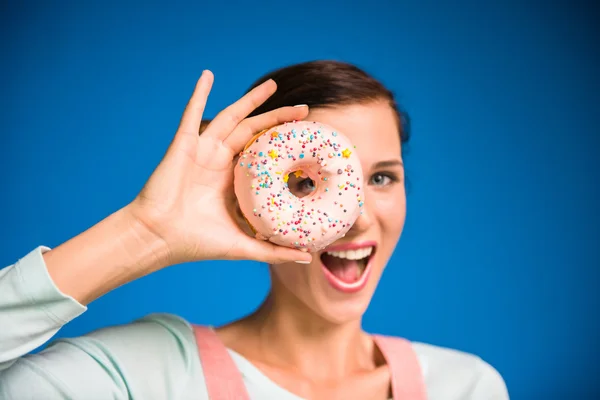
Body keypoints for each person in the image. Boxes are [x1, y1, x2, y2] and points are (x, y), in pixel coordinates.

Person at [0, 60, 509, 399]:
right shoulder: (147, 376)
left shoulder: (465, 386)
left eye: (380, 177)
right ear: (247, 201)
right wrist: (145, 233)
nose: (356, 216)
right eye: (308, 182)